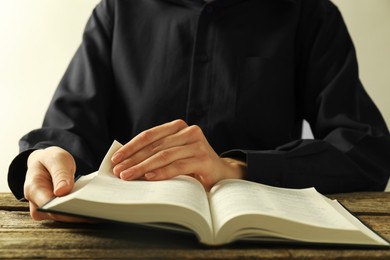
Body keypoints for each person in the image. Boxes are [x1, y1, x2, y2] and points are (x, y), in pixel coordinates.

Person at [8, 0, 390, 222]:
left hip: (259, 234)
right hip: (125, 235)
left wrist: (235, 166)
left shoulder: (308, 12)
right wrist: (47, 158)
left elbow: (367, 149)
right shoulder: (119, 9)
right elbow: (67, 130)